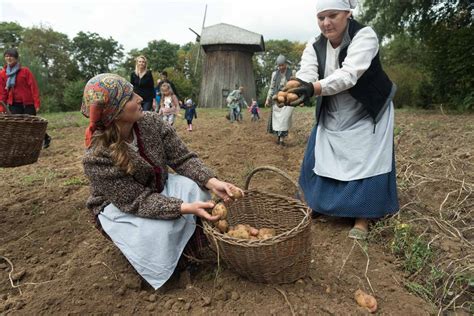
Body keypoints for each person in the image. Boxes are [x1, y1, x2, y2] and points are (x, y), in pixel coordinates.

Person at [81, 73, 244, 290]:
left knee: (197, 189)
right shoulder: (96, 157)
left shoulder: (150, 122)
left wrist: (213, 182)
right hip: (121, 205)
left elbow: (183, 158)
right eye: (130, 97)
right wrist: (182, 207)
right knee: (158, 230)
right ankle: (160, 270)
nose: (140, 98)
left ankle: (189, 252)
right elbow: (137, 201)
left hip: (156, 186)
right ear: (115, 112)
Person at [285, 0, 399, 240]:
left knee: (367, 160)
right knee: (320, 154)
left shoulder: (365, 36)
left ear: (347, 13)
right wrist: (297, 86)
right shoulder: (315, 44)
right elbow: (307, 73)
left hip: (367, 109)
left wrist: (312, 89)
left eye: (332, 15)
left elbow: (349, 75)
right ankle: (319, 204)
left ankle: (362, 217)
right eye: (321, 18)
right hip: (334, 106)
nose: (326, 23)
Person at [0, 48, 51, 148]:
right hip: (13, 104)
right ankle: (25, 146)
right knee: (18, 125)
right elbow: (3, 92)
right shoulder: (2, 74)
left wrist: (37, 103)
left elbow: (34, 87)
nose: (9, 58)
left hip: (28, 103)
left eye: (11, 56)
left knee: (32, 124)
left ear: (16, 58)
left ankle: (46, 138)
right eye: (7, 56)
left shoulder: (25, 71)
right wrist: (2, 107)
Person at [265, 54, 296, 146]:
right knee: (278, 120)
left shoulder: (292, 72)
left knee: (284, 119)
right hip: (277, 99)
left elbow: (295, 84)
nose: (281, 67)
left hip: (288, 100)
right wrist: (268, 99)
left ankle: (282, 139)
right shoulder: (274, 74)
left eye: (282, 65)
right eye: (279, 65)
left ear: (286, 64)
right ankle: (279, 138)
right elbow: (271, 87)